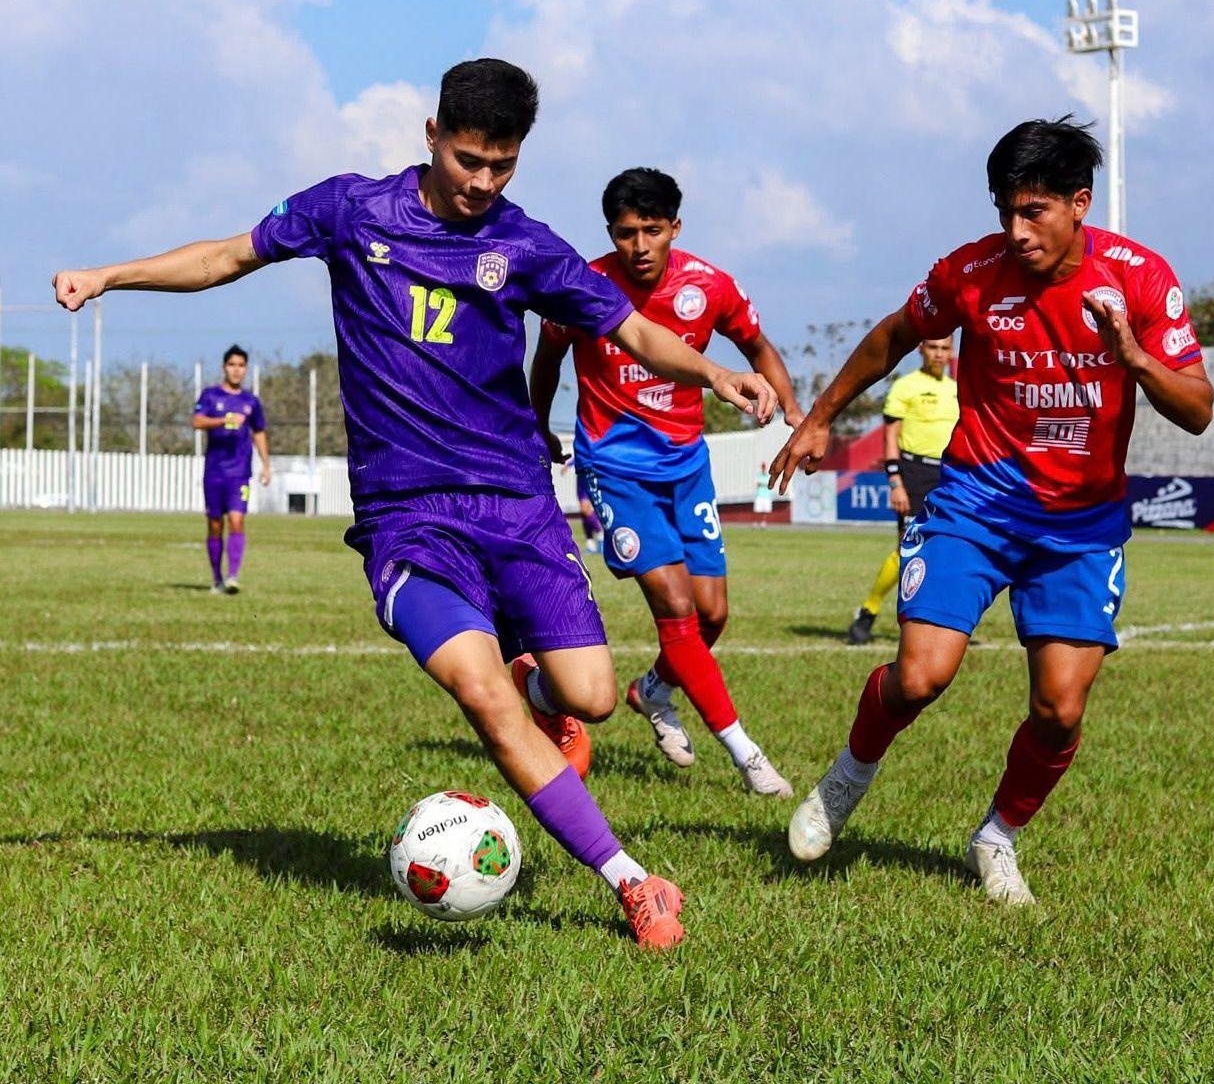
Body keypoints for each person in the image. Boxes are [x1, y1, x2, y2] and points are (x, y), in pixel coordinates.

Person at [53, 58, 777, 950]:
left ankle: (535, 678)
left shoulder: (524, 245)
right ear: (431, 137)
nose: (482, 182)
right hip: (408, 516)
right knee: (478, 690)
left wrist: (711, 373)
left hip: (516, 501)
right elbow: (225, 256)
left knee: (588, 699)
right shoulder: (350, 211)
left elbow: (627, 328)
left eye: (501, 165)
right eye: (469, 159)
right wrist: (107, 275)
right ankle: (633, 884)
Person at [771, 116, 1212, 905]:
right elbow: (892, 336)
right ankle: (845, 780)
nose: (1014, 230)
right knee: (918, 676)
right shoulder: (970, 272)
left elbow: (1199, 410)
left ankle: (996, 836)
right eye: (1003, 209)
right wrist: (819, 417)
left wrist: (1135, 360)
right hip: (975, 503)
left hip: (1079, 527)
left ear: (1078, 203)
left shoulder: (1140, 279)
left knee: (1059, 708)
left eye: (1033, 211)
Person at [530, 167, 802, 795]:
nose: (640, 245)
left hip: (686, 465)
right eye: (627, 233)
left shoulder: (709, 285)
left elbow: (757, 346)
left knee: (712, 616)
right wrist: (538, 425)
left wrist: (792, 411)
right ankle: (746, 753)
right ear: (610, 234)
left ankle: (651, 690)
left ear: (675, 228)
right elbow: (546, 359)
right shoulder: (585, 286)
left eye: (653, 230)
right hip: (614, 470)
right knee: (675, 606)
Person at [845, 336, 957, 644]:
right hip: (914, 473)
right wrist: (895, 482)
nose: (938, 354)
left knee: (950, 551)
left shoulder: (956, 390)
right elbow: (890, 438)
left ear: (952, 352)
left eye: (945, 348)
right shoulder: (904, 386)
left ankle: (941, 625)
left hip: (950, 474)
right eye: (933, 347)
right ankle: (868, 613)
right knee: (906, 551)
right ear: (920, 348)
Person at [192, 344, 270, 593]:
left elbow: (259, 432)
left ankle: (233, 577)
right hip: (214, 472)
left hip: (240, 474)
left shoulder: (251, 401)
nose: (236, 370)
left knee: (237, 520)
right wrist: (222, 420)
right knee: (215, 524)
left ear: (245, 369)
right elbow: (196, 421)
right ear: (224, 367)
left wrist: (266, 464)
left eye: (241, 366)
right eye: (232, 365)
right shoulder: (210, 396)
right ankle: (217, 579)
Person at [752, 463, 775, 527]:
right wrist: (764, 484)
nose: (763, 468)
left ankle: (763, 522)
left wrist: (763, 484)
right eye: (762, 467)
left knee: (765, 510)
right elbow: (758, 484)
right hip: (759, 495)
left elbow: (770, 484)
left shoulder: (768, 476)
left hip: (767, 495)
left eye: (764, 467)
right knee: (757, 510)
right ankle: (756, 522)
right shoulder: (758, 475)